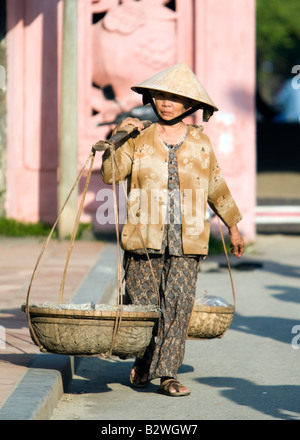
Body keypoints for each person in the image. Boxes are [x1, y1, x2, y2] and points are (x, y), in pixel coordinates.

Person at [100, 62, 244, 397]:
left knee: (178, 307)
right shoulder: (137, 138)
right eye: (161, 96)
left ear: (190, 106)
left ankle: (167, 374)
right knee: (145, 305)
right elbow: (110, 174)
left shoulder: (201, 143)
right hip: (143, 236)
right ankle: (146, 358)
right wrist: (118, 134)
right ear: (152, 99)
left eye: (175, 98)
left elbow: (217, 187)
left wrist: (233, 226)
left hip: (187, 237)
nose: (166, 103)